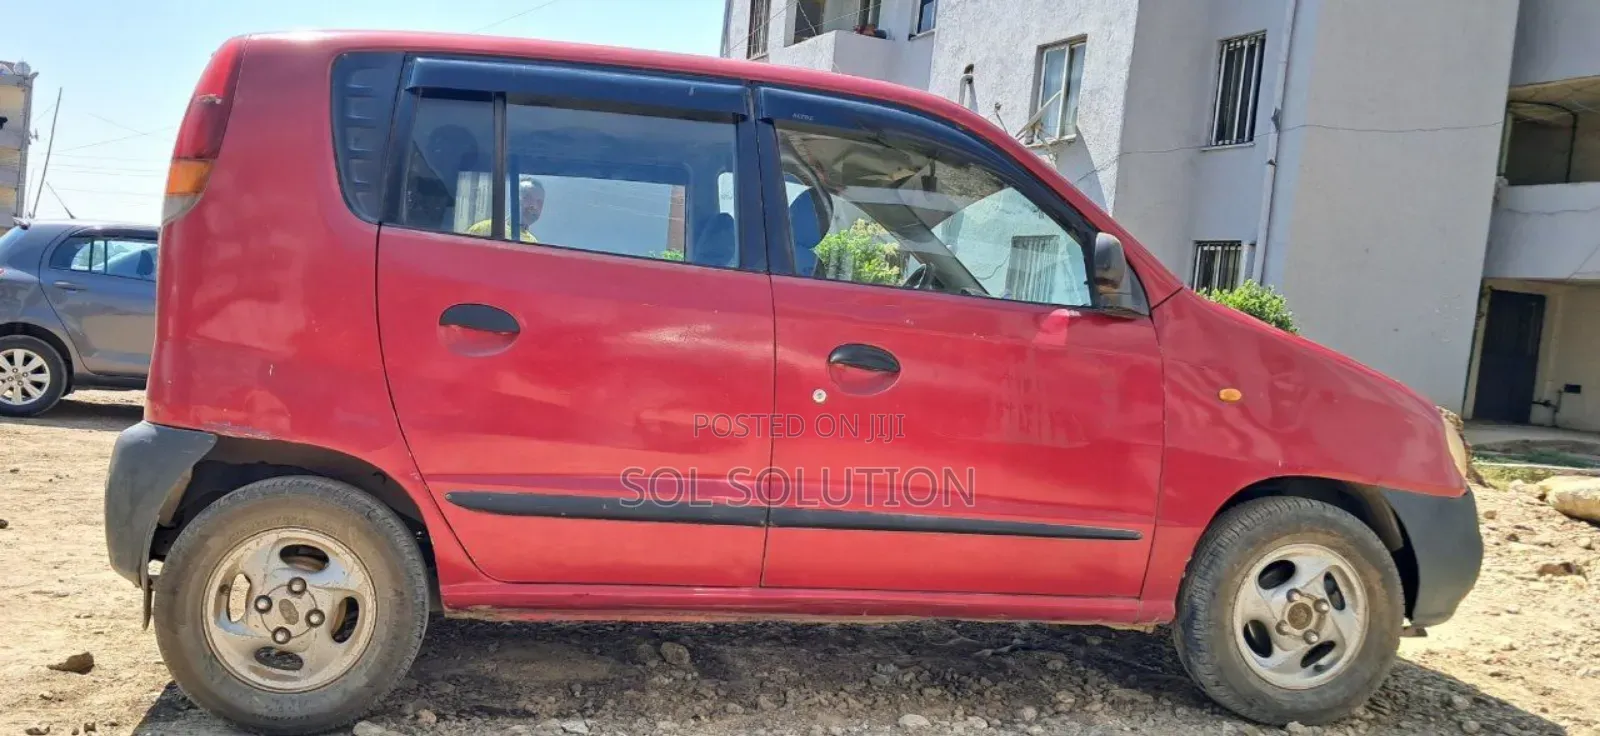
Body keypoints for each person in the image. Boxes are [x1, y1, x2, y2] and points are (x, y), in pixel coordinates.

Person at [467, 178, 544, 243]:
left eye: (539, 202)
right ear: (514, 199)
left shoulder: (533, 242)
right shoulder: (484, 229)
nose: (534, 206)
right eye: (528, 198)